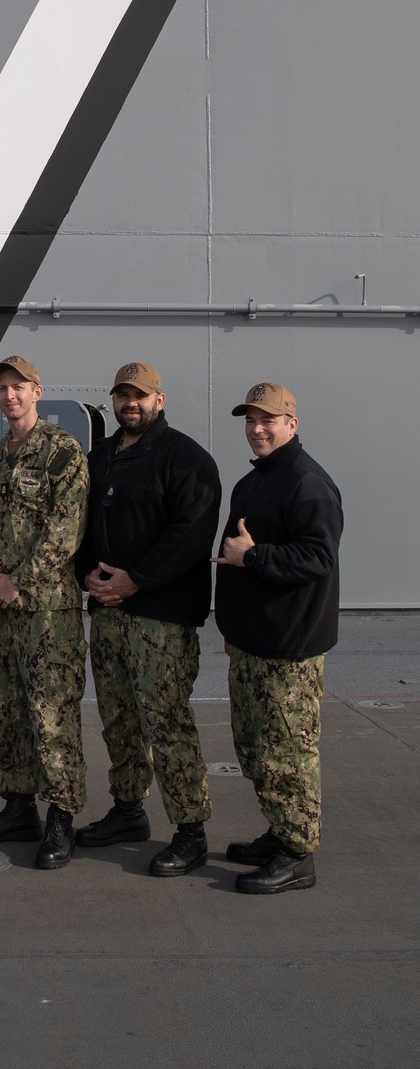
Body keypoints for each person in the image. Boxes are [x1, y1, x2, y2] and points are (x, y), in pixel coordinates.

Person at [74, 361, 222, 877]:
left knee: (167, 724)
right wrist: (87, 577)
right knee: (119, 720)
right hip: (109, 615)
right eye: (121, 395)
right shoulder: (103, 456)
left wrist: (135, 579)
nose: (129, 404)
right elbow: (82, 524)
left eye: (139, 395)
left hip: (160, 619)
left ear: (160, 400)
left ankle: (190, 830)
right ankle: (128, 810)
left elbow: (192, 533)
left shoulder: (186, 458)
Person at [0, 355, 89, 871]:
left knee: (52, 713)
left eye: (19, 387)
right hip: (3, 609)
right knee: (10, 710)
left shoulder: (62, 452)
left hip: (47, 611)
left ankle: (61, 816)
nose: (10, 396)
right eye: (2, 389)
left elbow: (66, 529)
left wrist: (20, 580)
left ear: (38, 391)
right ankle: (18, 806)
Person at [214, 381, 342, 894]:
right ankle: (279, 830)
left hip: (289, 649)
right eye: (250, 420)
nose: (257, 429)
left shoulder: (307, 483)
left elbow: (318, 557)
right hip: (253, 641)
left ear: (292, 423)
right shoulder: (256, 481)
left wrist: (255, 557)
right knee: (255, 747)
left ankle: (297, 855)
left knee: (287, 753)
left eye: (267, 420)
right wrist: (233, 627)